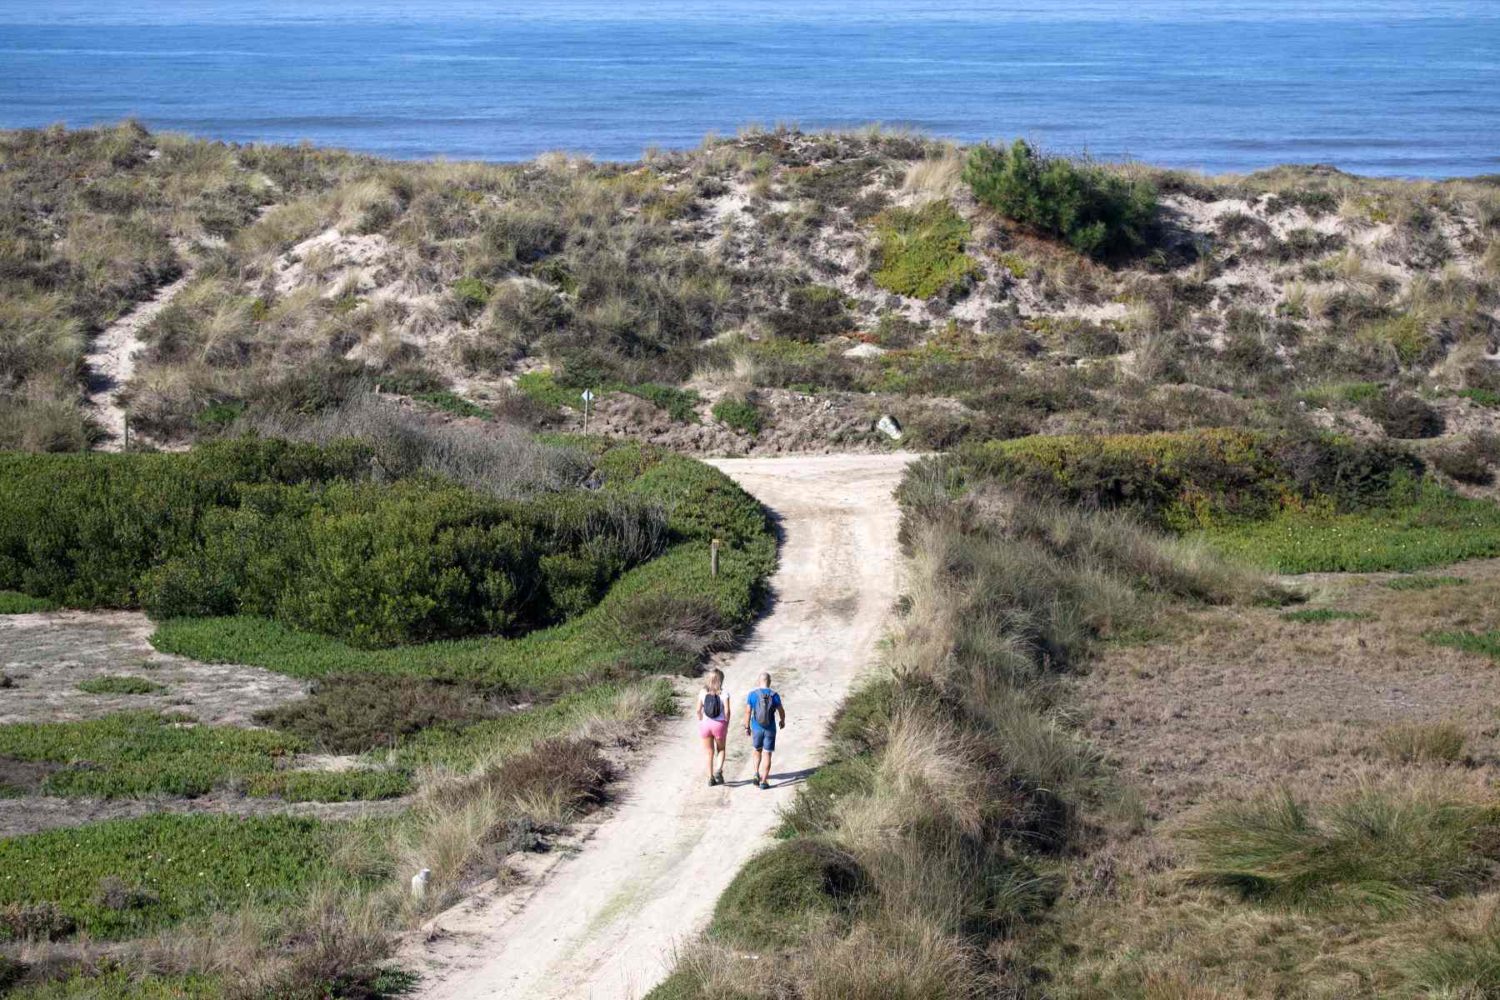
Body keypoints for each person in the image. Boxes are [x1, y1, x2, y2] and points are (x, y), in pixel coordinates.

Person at [744, 672, 785, 790]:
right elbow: (781, 710)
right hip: (770, 729)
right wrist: (782, 721)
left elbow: (748, 712)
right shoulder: (774, 695)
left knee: (757, 750)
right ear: (770, 681)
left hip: (756, 728)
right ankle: (764, 781)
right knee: (767, 754)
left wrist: (747, 726)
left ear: (759, 681)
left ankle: (756, 773)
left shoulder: (752, 695)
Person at [696, 668, 730, 787]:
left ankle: (710, 778)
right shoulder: (723, 693)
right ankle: (718, 770)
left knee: (709, 752)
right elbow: (727, 710)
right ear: (721, 680)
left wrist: (701, 719)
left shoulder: (702, 692)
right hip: (719, 724)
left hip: (705, 725)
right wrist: (726, 722)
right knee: (721, 749)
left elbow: (698, 710)